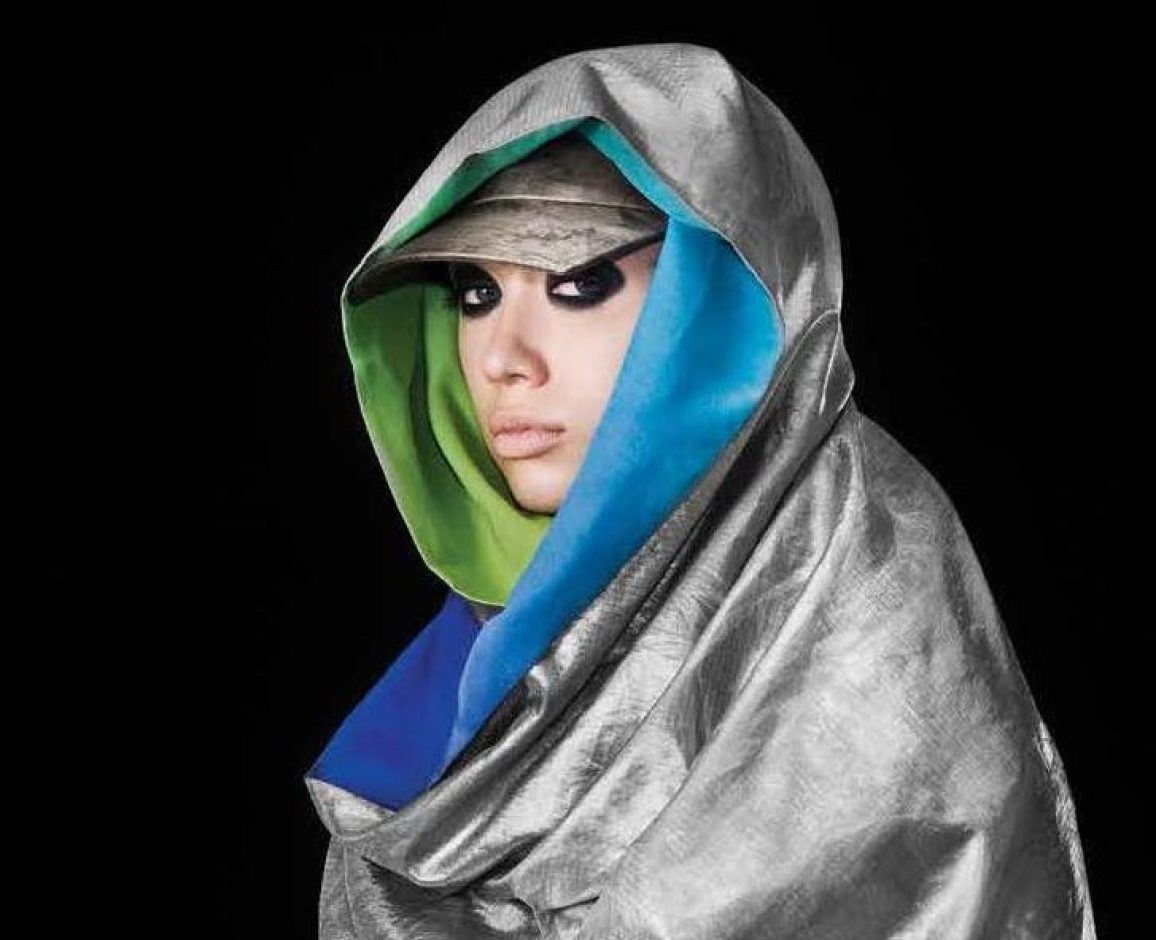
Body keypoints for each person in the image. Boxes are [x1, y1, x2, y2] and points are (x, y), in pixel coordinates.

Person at [304, 42, 1096, 938]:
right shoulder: (482, 662)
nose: (501, 361)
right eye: (477, 293)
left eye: (581, 284)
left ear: (712, 299)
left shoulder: (867, 556)